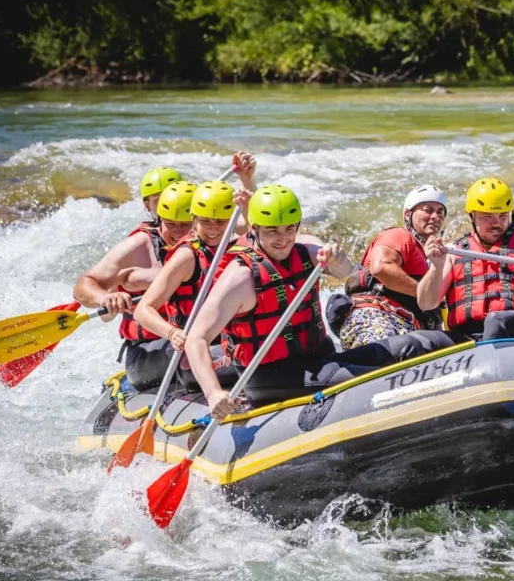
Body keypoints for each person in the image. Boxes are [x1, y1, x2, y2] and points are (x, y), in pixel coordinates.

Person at [186, 185, 409, 413]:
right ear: (254, 229)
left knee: (411, 346)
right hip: (269, 376)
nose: (283, 239)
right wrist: (213, 393)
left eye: (289, 229)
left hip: (318, 358)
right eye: (273, 231)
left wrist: (337, 258)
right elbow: (196, 338)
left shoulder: (306, 253)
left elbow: (344, 273)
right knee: (372, 381)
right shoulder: (240, 277)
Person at [73, 157, 256, 390]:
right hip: (152, 348)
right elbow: (84, 285)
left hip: (200, 339)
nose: (180, 232)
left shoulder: (209, 233)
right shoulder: (139, 246)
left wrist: (246, 180)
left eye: (185, 225)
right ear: (154, 210)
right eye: (172, 224)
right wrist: (105, 298)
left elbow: (257, 226)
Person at [132, 180, 242, 389]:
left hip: (222, 341)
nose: (213, 229)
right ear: (193, 219)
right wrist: (172, 333)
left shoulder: (238, 246)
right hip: (191, 353)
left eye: (220, 222)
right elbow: (142, 310)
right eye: (205, 221)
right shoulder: (187, 256)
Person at [415, 177, 514, 342]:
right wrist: (436, 267)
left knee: (497, 320)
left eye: (503, 216)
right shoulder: (453, 251)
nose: (497, 223)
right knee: (415, 341)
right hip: (469, 338)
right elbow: (426, 303)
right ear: (470, 217)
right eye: (487, 217)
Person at [335, 185, 449, 348]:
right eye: (428, 210)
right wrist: (425, 294)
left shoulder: (432, 262)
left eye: (440, 212)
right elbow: (381, 267)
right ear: (408, 215)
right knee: (392, 350)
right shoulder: (400, 235)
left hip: (408, 328)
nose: (435, 216)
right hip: (375, 317)